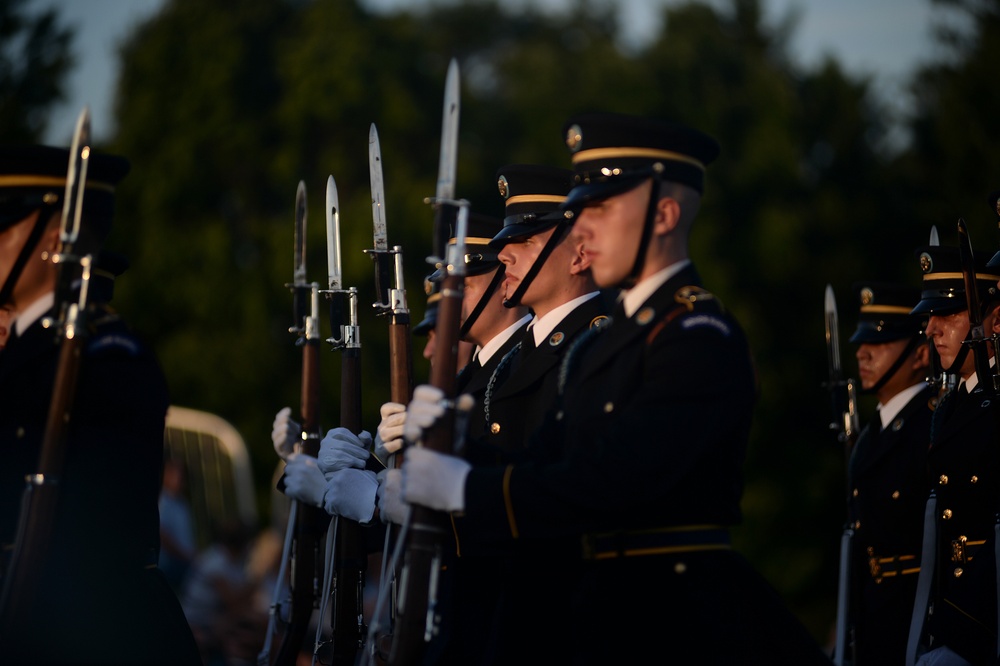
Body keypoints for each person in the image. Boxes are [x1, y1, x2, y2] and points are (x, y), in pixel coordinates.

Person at [392, 112, 834, 664]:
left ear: (666, 215)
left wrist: (464, 488)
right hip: (605, 614)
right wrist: (456, 446)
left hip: (675, 621)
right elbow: (544, 460)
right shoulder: (604, 343)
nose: (581, 228)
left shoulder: (698, 335)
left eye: (599, 208)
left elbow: (614, 480)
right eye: (577, 210)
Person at [0, 144, 201, 663]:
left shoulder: (108, 360)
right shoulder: (33, 356)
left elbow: (93, 531)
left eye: (4, 232)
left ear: (51, 241)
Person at [905, 244, 1000, 666]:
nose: (931, 330)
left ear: (991, 320)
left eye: (948, 315)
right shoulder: (951, 407)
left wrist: (965, 635)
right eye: (930, 317)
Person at [840, 280, 934, 666]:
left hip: (914, 618)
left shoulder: (930, 427)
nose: (861, 352)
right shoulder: (872, 433)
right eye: (863, 342)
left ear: (920, 355)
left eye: (879, 343)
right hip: (872, 616)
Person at [159, 455, 199, 594]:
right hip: (170, 565)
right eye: (175, 473)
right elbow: (162, 535)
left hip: (185, 562)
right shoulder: (162, 501)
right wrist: (185, 556)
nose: (179, 478)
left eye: (182, 474)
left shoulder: (182, 503)